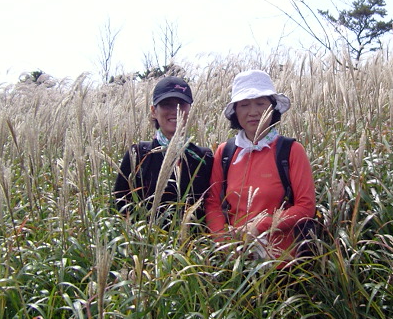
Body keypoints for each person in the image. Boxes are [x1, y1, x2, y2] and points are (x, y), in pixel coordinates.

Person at [206, 70, 316, 260]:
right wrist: (221, 240)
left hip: (282, 265)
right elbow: (212, 203)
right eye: (244, 105)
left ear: (272, 108)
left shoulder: (290, 150)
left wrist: (260, 226)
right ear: (235, 111)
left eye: (260, 103)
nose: (253, 112)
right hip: (236, 264)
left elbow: (306, 206)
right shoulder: (225, 152)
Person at [112, 76, 212, 222]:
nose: (175, 111)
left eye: (181, 104)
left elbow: (211, 208)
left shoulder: (203, 158)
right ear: (153, 111)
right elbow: (118, 208)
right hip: (143, 243)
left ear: (190, 109)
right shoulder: (138, 154)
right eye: (167, 105)